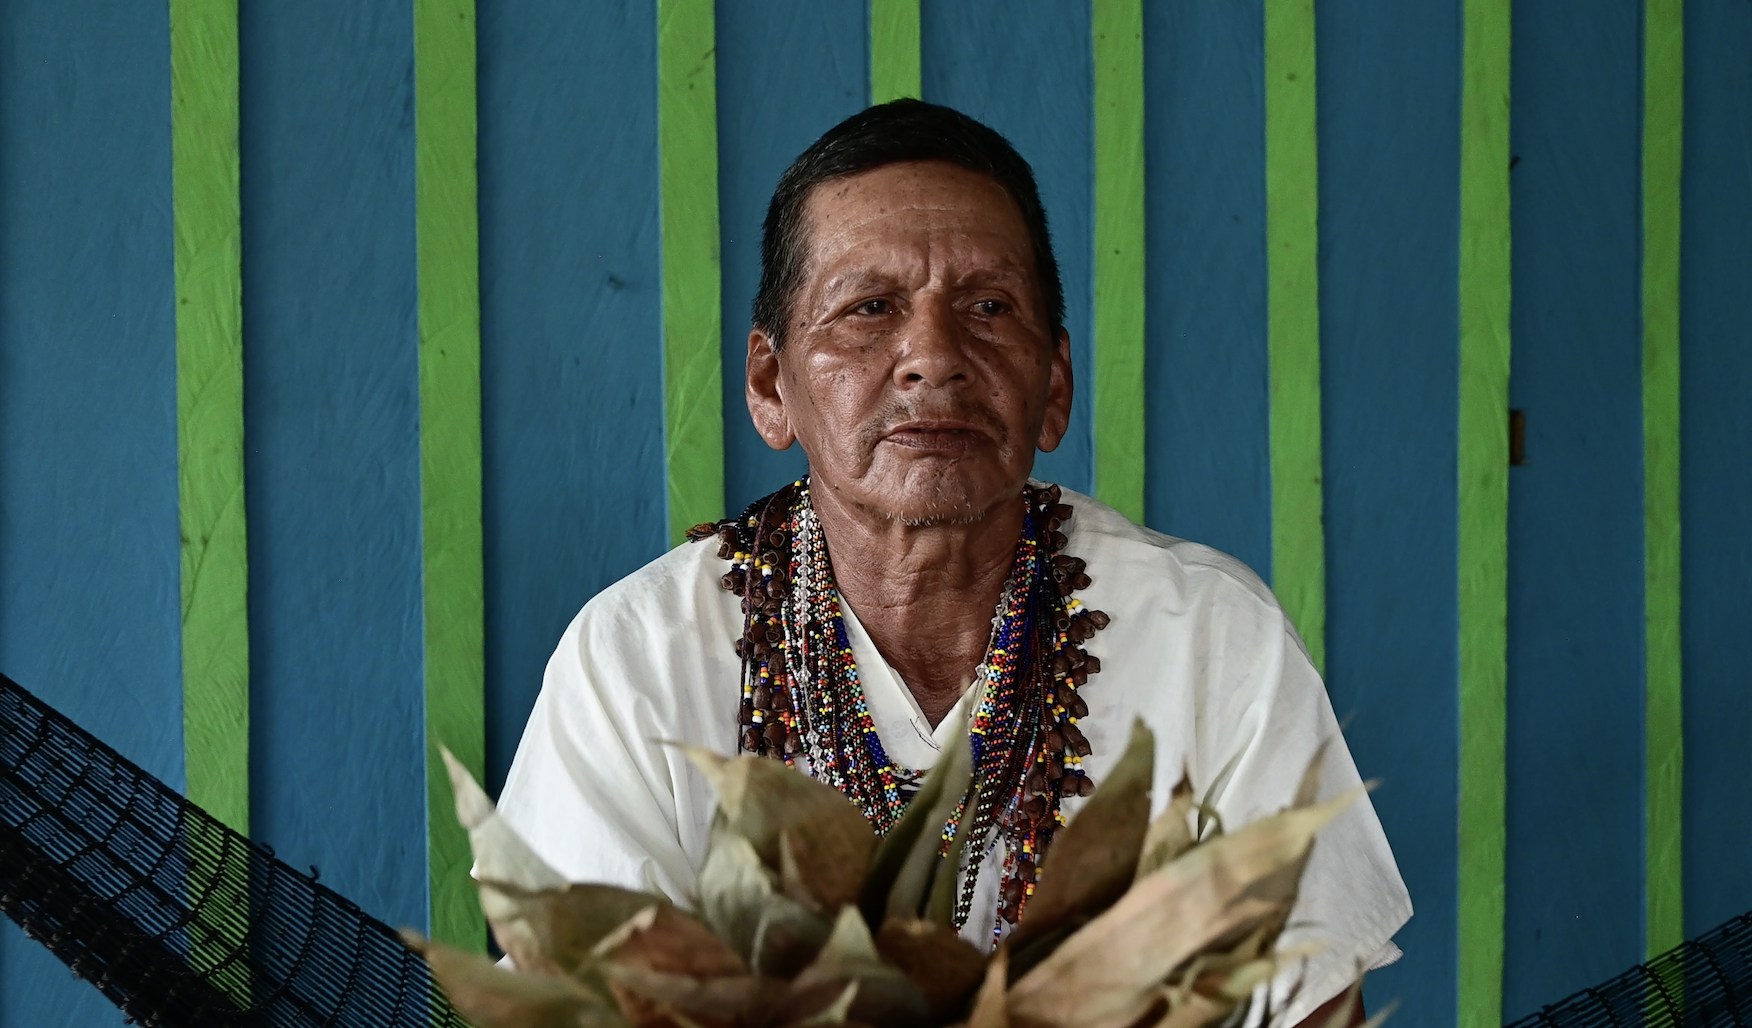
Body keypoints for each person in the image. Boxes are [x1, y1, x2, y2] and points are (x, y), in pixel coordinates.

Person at [496, 100, 1411, 1024]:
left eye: (986, 307)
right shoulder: (634, 662)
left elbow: (1315, 1006)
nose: (932, 356)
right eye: (868, 309)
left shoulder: (1213, 641)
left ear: (1053, 387)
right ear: (773, 388)